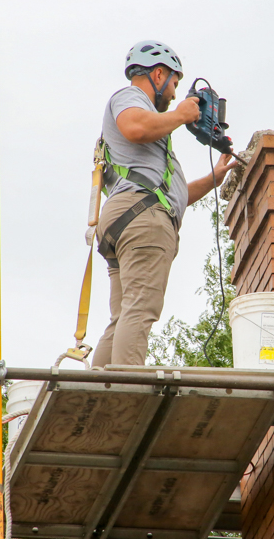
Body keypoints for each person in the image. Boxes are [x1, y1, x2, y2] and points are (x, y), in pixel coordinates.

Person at [92, 40, 236, 368]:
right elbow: (136, 127)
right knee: (139, 312)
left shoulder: (149, 131)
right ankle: (126, 399)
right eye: (173, 84)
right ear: (158, 75)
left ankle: (93, 394)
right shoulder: (130, 99)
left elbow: (174, 193)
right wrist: (181, 114)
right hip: (142, 218)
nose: (174, 93)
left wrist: (213, 178)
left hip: (124, 217)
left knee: (123, 317)